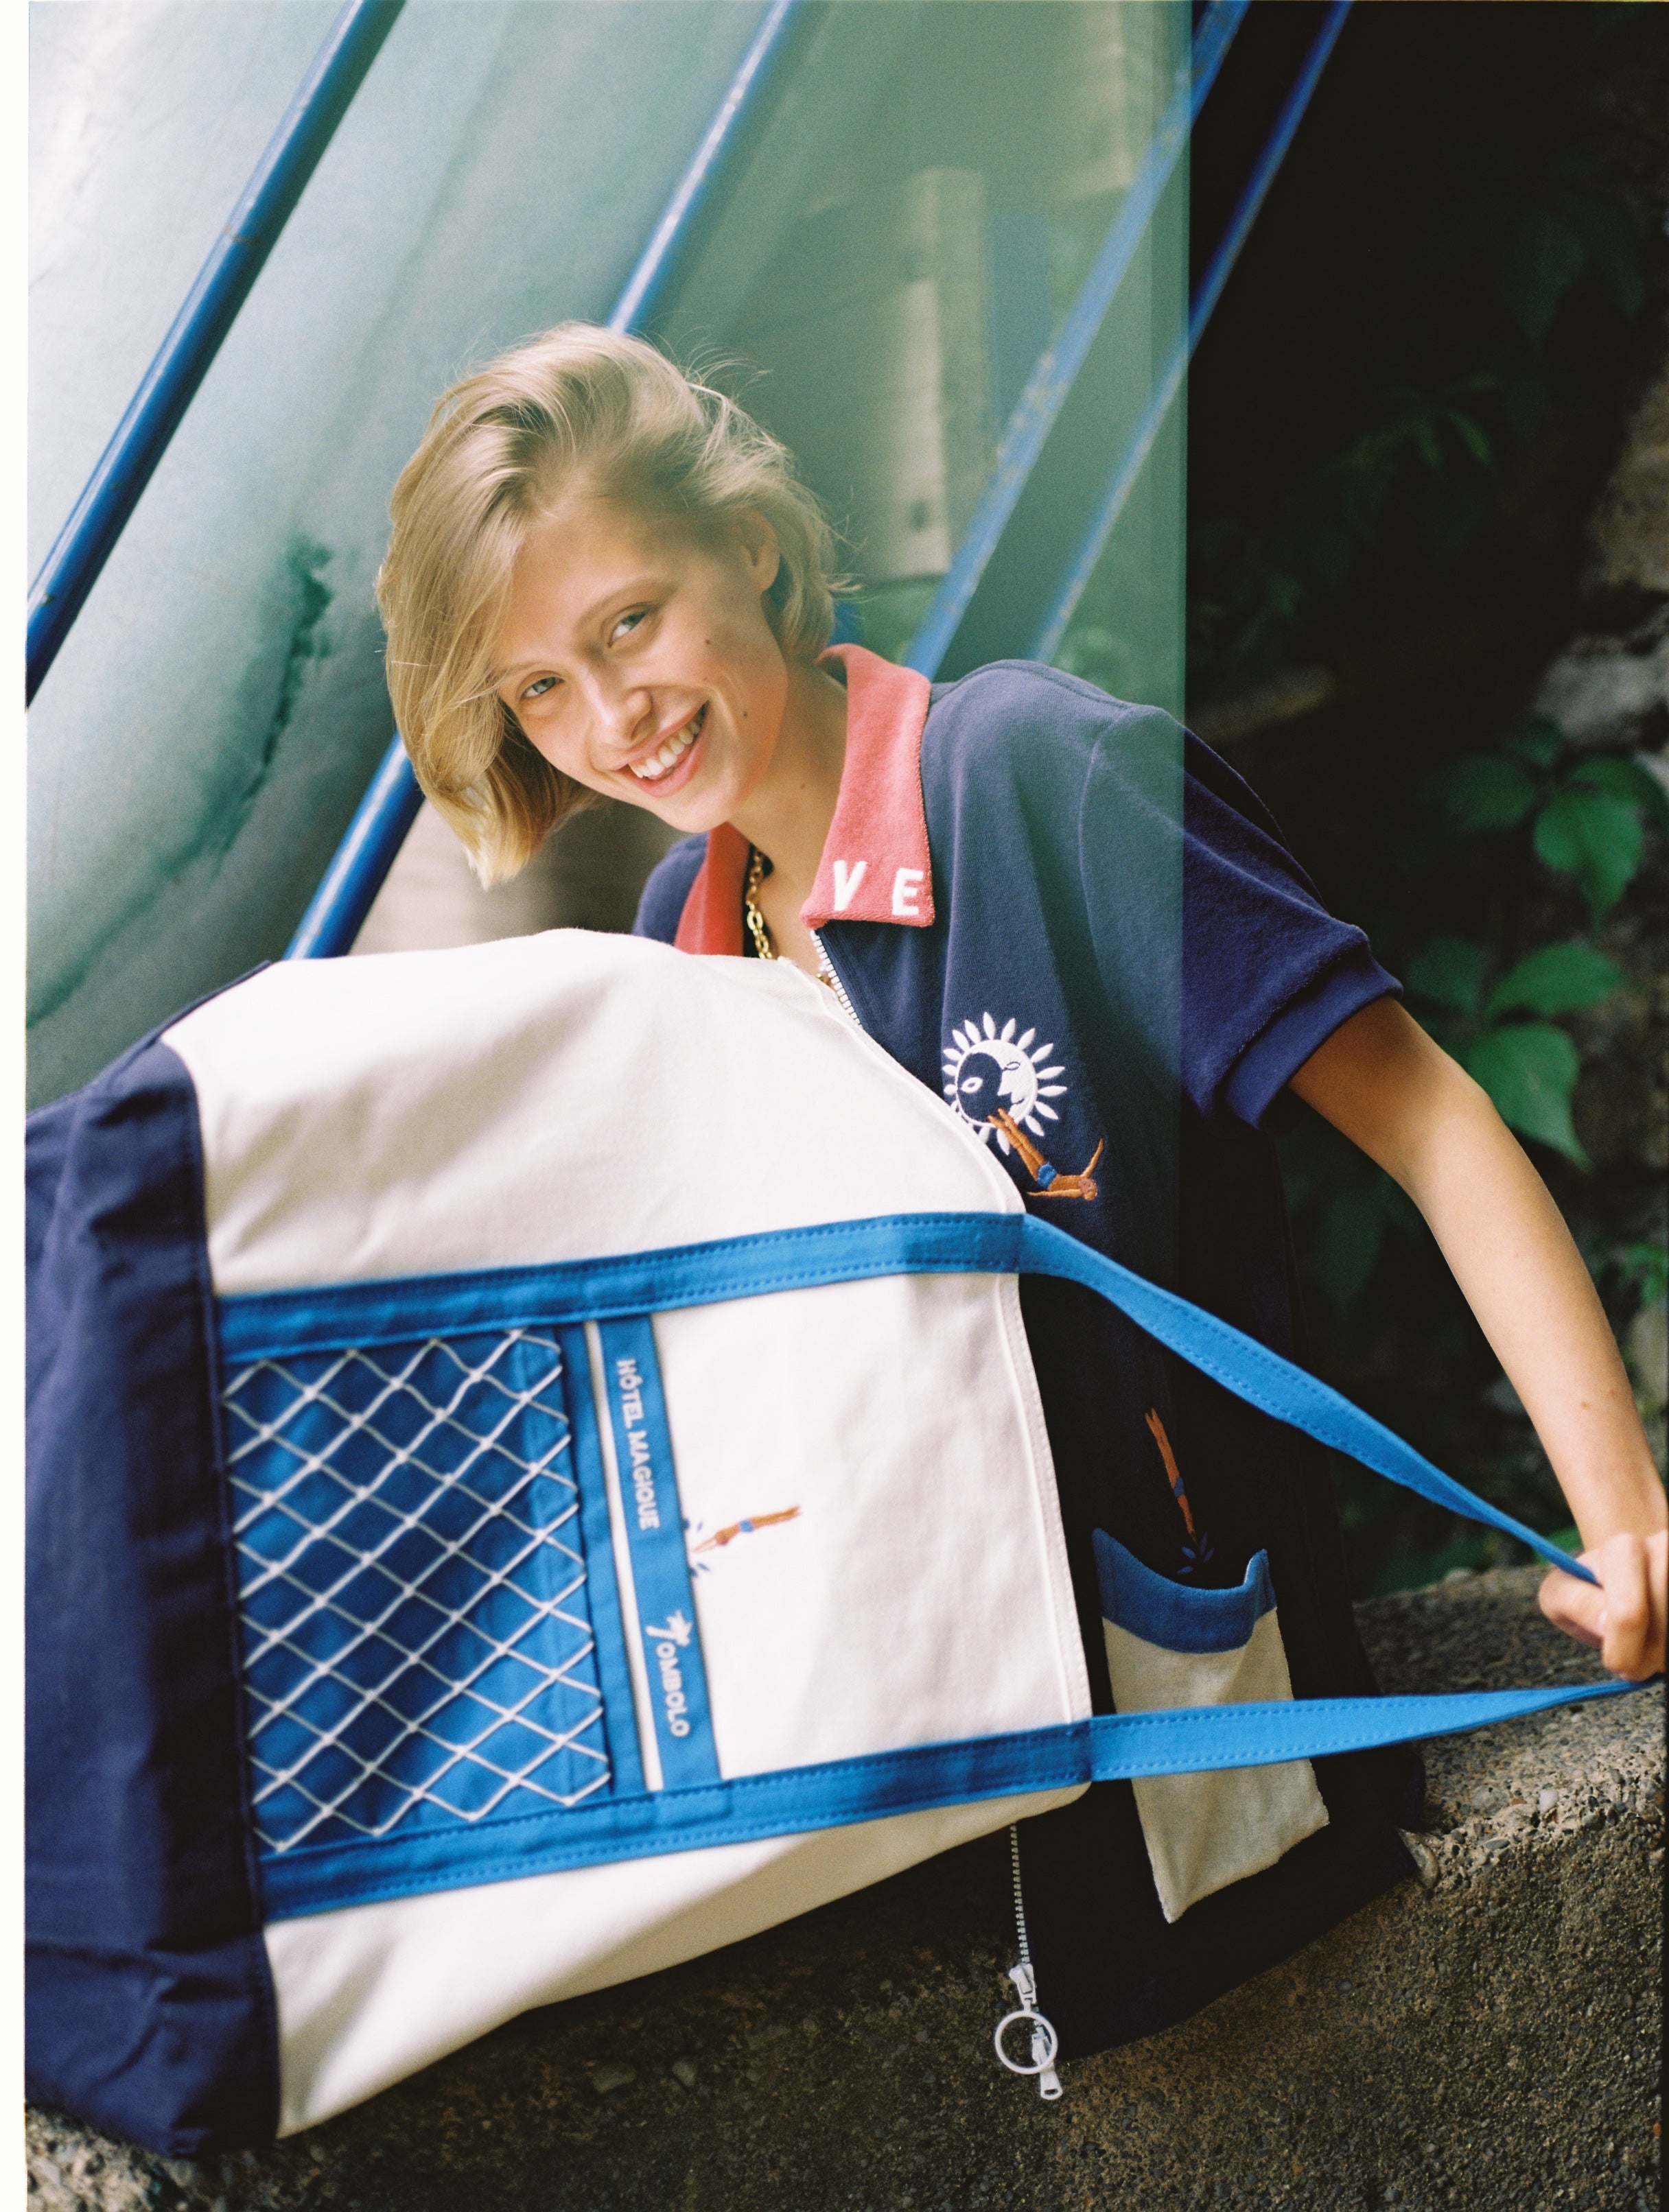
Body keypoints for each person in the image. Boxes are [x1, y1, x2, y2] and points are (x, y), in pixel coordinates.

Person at [376, 320, 1666, 2061]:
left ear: (746, 544)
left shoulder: (1040, 775)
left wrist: (1623, 1519)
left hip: (1183, 1724)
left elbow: (1430, 1119)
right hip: (905, 1753)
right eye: (539, 686)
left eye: (629, 621)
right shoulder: (675, 938)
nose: (612, 718)